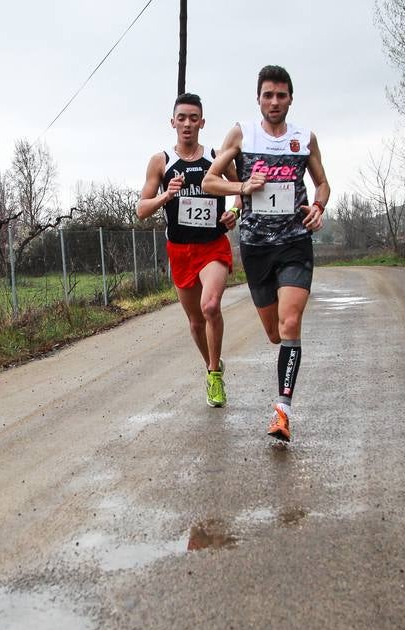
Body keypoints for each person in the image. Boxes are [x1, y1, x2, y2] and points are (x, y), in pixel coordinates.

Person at [202, 64, 330, 441]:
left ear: (291, 98)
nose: (275, 102)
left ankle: (282, 411)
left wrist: (318, 207)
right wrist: (243, 185)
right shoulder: (243, 133)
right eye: (268, 95)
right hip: (256, 249)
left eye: (282, 95)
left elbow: (322, 183)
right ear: (258, 98)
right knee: (275, 334)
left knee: (291, 325)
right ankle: (280, 397)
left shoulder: (304, 138)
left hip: (294, 243)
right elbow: (210, 180)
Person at [136, 92, 243, 407]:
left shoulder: (216, 156)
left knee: (211, 307)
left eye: (193, 118)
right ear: (172, 122)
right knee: (196, 322)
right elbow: (142, 209)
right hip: (180, 251)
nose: (187, 124)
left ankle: (213, 374)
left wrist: (234, 213)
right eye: (181, 118)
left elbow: (243, 191)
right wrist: (165, 197)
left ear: (202, 122)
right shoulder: (162, 162)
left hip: (213, 246)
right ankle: (211, 362)